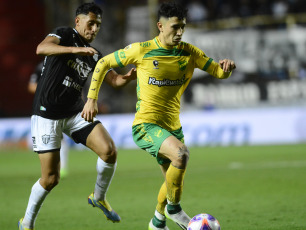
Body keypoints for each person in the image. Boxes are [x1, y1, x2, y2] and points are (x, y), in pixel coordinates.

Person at [82, 2, 236, 230]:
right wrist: (91, 98)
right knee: (181, 155)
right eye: (175, 27)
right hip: (146, 125)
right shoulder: (141, 50)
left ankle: (157, 221)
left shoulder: (189, 52)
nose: (180, 32)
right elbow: (103, 63)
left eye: (183, 27)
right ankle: (173, 210)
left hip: (173, 127)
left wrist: (227, 67)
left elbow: (217, 71)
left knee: (172, 179)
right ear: (160, 26)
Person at [18, 2, 136, 230]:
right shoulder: (64, 34)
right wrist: (76, 50)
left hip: (74, 112)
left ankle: (98, 197)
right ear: (78, 22)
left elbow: (115, 81)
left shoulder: (94, 55)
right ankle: (27, 223)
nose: (94, 29)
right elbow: (41, 48)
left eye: (98, 25)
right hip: (47, 114)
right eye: (90, 23)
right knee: (51, 178)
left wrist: (129, 77)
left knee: (109, 151)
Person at [28, 61, 70, 177]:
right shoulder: (41, 66)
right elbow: (31, 86)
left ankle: (62, 168)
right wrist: (48, 89)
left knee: (60, 137)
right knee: (46, 141)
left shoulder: (65, 64)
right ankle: (50, 170)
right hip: (43, 108)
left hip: (59, 106)